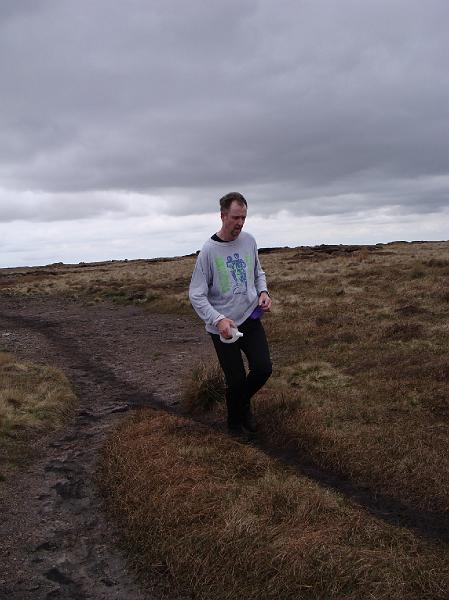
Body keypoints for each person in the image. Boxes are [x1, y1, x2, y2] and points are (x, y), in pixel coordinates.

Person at [189, 192, 272, 434]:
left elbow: (258, 272)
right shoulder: (208, 251)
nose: (240, 223)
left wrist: (263, 293)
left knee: (263, 368)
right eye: (236, 217)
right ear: (223, 215)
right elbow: (196, 294)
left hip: (249, 316)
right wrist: (218, 319)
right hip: (223, 327)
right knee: (235, 380)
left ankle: (241, 405)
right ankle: (235, 424)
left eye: (244, 217)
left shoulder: (249, 241)